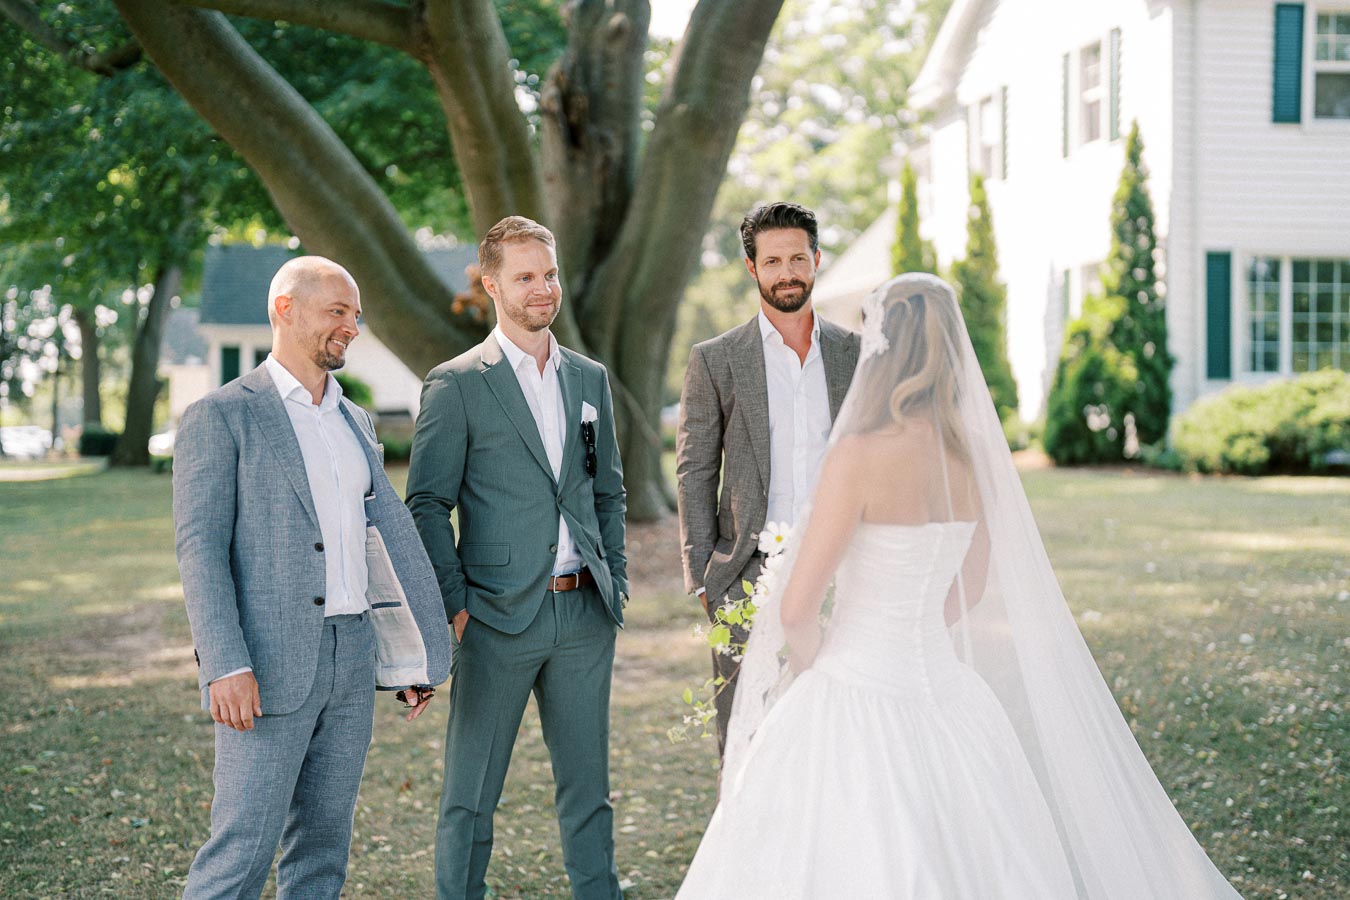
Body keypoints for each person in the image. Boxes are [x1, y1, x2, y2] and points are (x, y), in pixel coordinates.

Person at [676, 273, 1243, 898]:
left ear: (883, 349)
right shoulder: (973, 455)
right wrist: (905, 631)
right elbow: (968, 591)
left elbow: (797, 606)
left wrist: (821, 665)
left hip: (853, 681)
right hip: (946, 686)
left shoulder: (859, 454)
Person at [174, 256, 452, 899]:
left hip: (352, 656)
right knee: (242, 849)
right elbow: (200, 550)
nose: (351, 327)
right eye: (337, 312)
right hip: (265, 664)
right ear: (285, 308)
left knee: (324, 850)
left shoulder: (354, 421)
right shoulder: (223, 416)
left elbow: (377, 546)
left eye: (355, 316)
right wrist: (223, 663)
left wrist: (409, 656)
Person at [406, 216, 628, 900]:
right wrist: (458, 606)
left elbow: (609, 490)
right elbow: (425, 504)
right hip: (496, 621)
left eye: (550, 274)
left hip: (583, 616)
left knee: (589, 794)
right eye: (526, 276)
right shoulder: (457, 383)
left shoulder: (589, 379)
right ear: (491, 284)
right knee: (470, 798)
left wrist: (612, 581)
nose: (543, 289)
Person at [676, 201, 860, 756]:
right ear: (752, 268)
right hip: (746, 574)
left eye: (797, 258)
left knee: (840, 730)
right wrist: (706, 577)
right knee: (747, 738)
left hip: (847, 571)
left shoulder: (856, 354)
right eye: (773, 261)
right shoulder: (717, 359)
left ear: (816, 260)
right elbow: (695, 468)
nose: (787, 272)